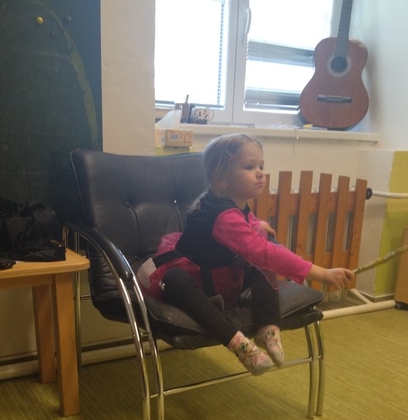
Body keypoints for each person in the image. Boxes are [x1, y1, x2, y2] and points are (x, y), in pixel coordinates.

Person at [139, 133, 354, 375]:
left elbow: (244, 222)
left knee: (262, 268)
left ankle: (268, 329)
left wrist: (256, 224)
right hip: (195, 277)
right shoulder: (223, 216)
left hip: (219, 276)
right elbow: (260, 249)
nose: (260, 173)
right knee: (175, 279)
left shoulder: (233, 202)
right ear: (223, 179)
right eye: (250, 167)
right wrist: (320, 273)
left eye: (261, 166)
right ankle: (239, 344)